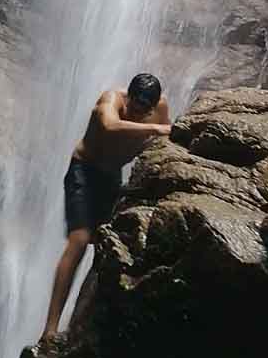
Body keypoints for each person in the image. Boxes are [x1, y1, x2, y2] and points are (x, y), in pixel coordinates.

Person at [40, 73, 170, 341]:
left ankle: (84, 326)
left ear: (153, 106)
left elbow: (168, 139)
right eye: (133, 106)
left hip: (112, 177)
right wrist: (154, 129)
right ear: (129, 97)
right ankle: (50, 330)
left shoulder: (160, 109)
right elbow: (110, 126)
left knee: (108, 245)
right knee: (79, 239)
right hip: (83, 172)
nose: (137, 113)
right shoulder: (111, 99)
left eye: (144, 111)